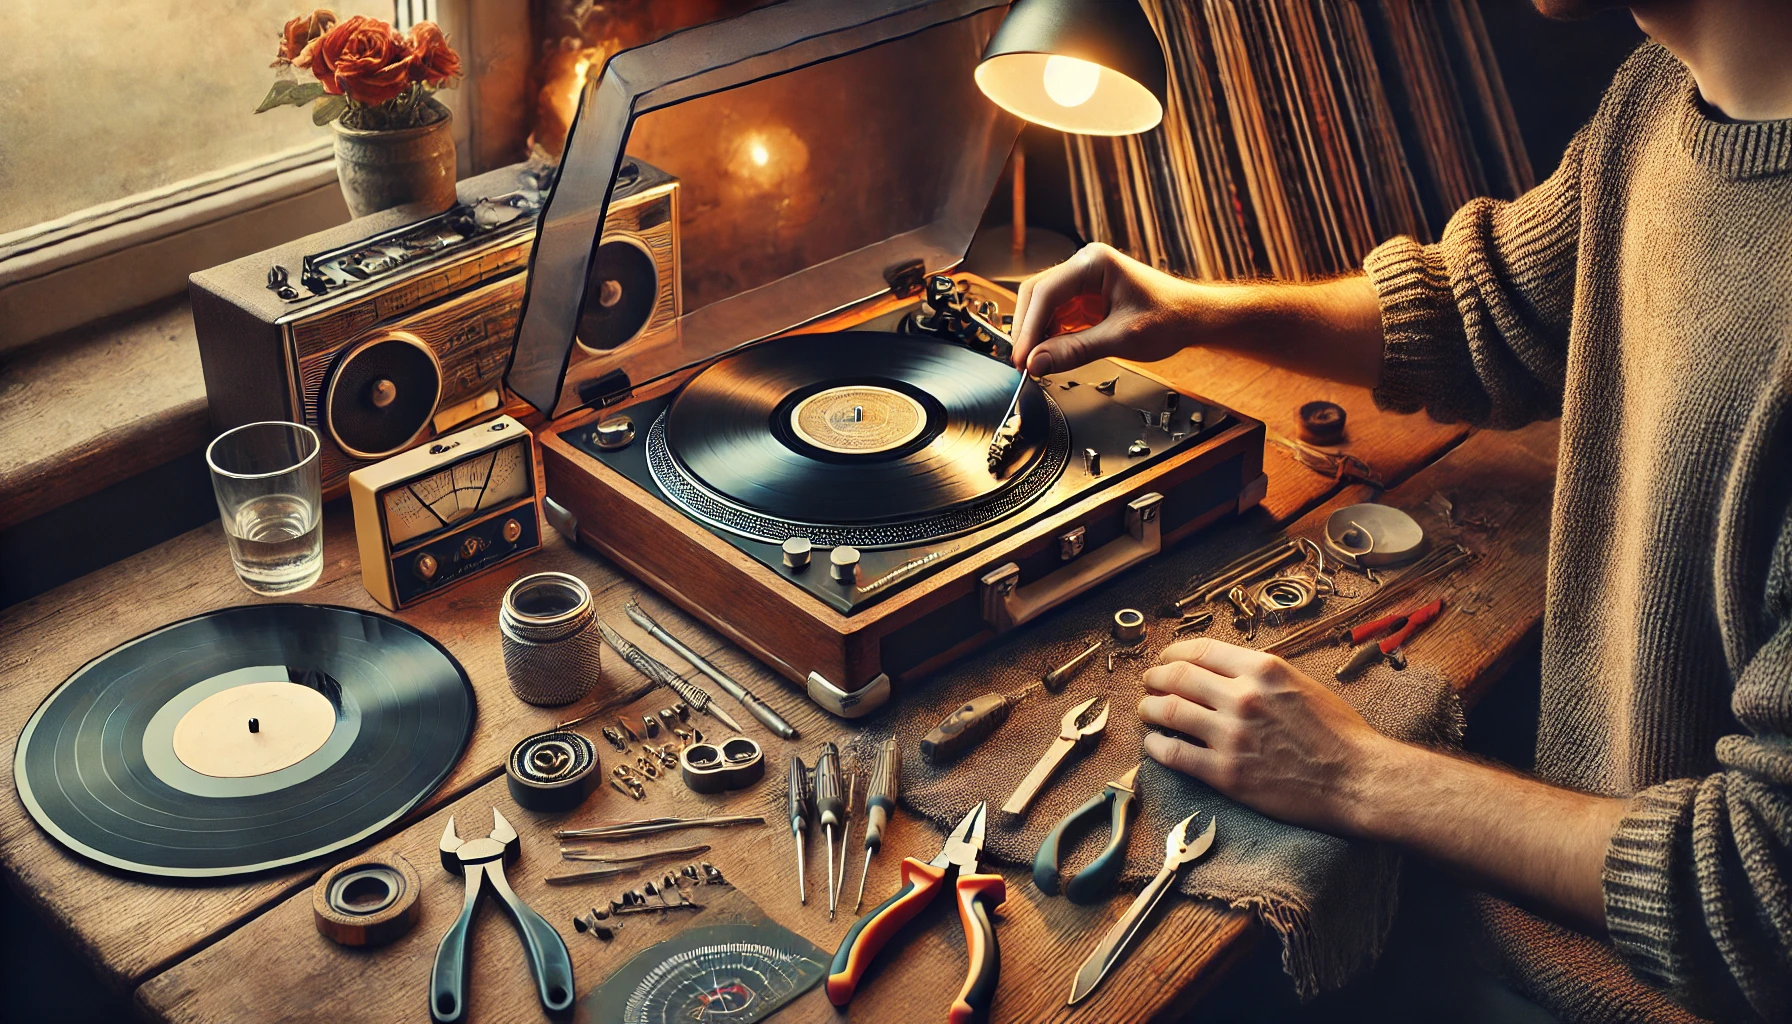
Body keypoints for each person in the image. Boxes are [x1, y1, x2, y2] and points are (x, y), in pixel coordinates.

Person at [1008, 2, 1791, 1021]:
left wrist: (1351, 772)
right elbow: (1485, 305)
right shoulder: (1655, 99)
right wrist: (1189, 308)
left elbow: (1756, 899)